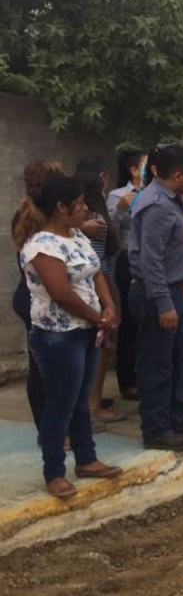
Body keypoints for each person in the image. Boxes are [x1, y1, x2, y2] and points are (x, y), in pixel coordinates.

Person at [20, 176, 123, 499]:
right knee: (60, 405)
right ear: (60, 207)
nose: (85, 209)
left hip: (86, 330)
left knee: (80, 401)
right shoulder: (42, 246)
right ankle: (54, 472)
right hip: (58, 336)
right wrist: (99, 317)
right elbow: (61, 294)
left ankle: (87, 459)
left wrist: (108, 306)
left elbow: (96, 272)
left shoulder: (76, 235)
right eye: (78, 204)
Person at [129, 144, 183, 451]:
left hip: (175, 288)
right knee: (157, 365)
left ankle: (178, 417)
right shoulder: (157, 205)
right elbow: (151, 260)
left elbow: (173, 250)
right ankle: (156, 430)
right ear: (178, 175)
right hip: (156, 295)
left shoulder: (173, 199)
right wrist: (164, 303)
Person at [12, 160, 64, 437]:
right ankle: (49, 430)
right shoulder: (37, 219)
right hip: (37, 298)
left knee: (47, 367)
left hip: (31, 295)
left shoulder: (29, 214)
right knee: (45, 368)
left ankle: (53, 427)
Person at [74, 158, 126, 426]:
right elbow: (96, 260)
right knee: (101, 345)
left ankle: (90, 402)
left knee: (98, 345)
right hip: (99, 282)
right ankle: (92, 404)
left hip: (98, 281)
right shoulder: (93, 218)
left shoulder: (85, 218)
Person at [108, 151, 145, 401]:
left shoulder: (157, 194)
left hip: (152, 261)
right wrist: (121, 210)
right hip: (128, 260)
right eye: (144, 165)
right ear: (133, 170)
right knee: (130, 321)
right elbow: (110, 232)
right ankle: (128, 380)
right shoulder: (117, 195)